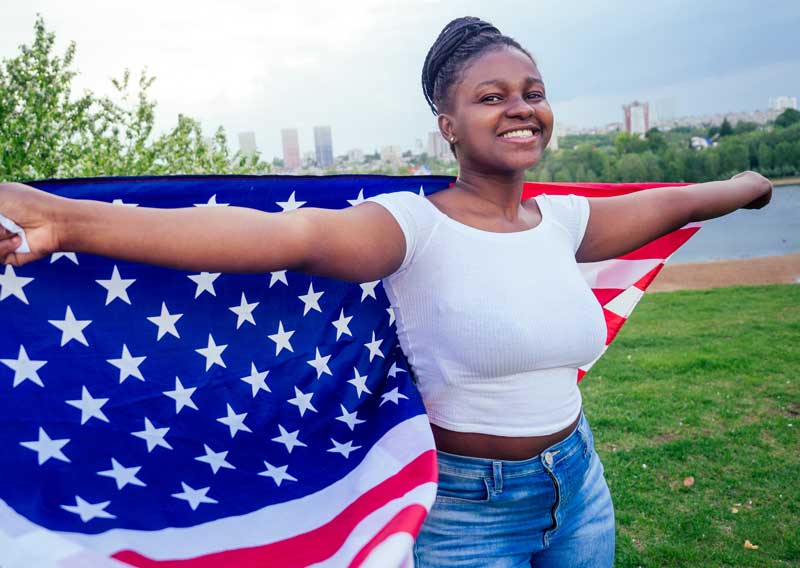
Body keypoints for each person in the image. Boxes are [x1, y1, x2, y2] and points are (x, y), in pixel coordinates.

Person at [0, 16, 771, 568]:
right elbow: (279, 238)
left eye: (531, 91)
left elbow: (670, 203)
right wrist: (61, 220)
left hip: (579, 482)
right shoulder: (415, 227)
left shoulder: (563, 221)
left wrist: (744, 183)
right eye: (491, 96)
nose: (520, 107)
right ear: (449, 125)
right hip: (468, 514)